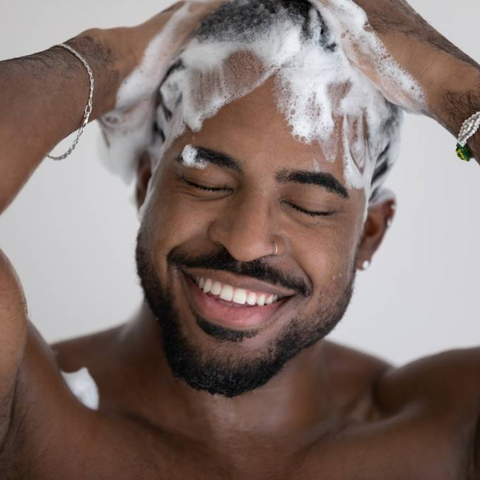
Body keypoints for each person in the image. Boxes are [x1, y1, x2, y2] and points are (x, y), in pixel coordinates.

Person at [0, 0, 479, 478]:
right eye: (207, 183)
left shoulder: (450, 427)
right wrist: (110, 58)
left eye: (307, 206)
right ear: (147, 185)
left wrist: (448, 81)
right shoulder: (23, 412)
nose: (245, 242)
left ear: (369, 235)